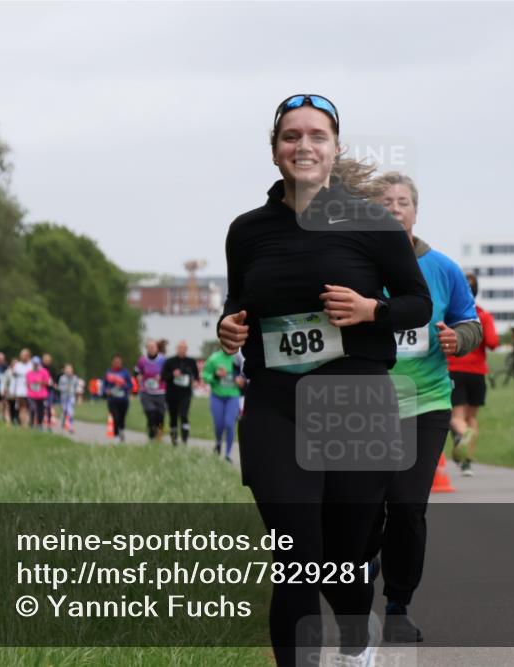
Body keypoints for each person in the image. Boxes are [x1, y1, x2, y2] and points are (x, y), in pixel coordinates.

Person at [217, 93, 431, 667]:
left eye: (317, 136)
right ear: (274, 151)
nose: (303, 146)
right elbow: (240, 299)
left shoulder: (375, 226)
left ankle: (357, 638)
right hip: (276, 404)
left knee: (346, 553)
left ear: (335, 149)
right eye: (292, 136)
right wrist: (228, 325)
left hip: (355, 401)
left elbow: (418, 303)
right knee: (296, 559)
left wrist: (372, 311)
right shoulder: (247, 231)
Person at [371, 172, 481, 642]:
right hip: (361, 406)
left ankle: (398, 604)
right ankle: (359, 587)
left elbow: (470, 322)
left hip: (426, 402)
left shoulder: (443, 269)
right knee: (361, 510)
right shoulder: (356, 264)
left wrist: (459, 338)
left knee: (407, 506)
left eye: (403, 202)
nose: (395, 208)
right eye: (385, 202)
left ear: (416, 211)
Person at [446, 272, 500, 475]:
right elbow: (493, 343)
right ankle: (467, 461)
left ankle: (462, 434)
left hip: (455, 369)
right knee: (472, 418)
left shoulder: (450, 314)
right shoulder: (483, 316)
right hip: (477, 373)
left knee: (456, 416)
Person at [202, 348, 244, 462]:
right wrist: (215, 375)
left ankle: (228, 454)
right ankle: (218, 442)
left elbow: (246, 377)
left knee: (230, 424)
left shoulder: (239, 359)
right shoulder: (214, 358)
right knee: (219, 424)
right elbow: (205, 376)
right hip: (217, 396)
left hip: (233, 396)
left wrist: (242, 381)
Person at [161, 340, 200, 445]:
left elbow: (196, 376)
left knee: (184, 414)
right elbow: (163, 377)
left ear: (187, 349)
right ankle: (174, 440)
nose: (182, 350)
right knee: (173, 417)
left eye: (184, 348)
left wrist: (195, 381)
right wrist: (173, 374)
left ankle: (185, 438)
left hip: (185, 394)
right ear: (177, 349)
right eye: (180, 348)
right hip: (172, 394)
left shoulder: (191, 362)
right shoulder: (169, 361)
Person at [135, 339, 168, 441]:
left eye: (153, 347)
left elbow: (168, 373)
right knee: (151, 414)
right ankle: (151, 436)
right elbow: (136, 371)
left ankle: (160, 434)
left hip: (160, 392)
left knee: (160, 416)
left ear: (157, 348)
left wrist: (161, 377)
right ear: (146, 349)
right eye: (149, 347)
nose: (151, 349)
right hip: (146, 392)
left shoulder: (163, 360)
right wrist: (138, 376)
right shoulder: (142, 360)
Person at [103, 354, 133, 443]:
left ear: (121, 363)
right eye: (115, 362)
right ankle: (116, 436)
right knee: (115, 417)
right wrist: (106, 391)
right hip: (112, 400)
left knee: (122, 417)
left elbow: (130, 385)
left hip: (123, 400)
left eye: (119, 362)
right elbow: (104, 385)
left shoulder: (125, 372)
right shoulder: (108, 372)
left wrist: (123, 385)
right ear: (112, 362)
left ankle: (121, 431)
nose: (117, 363)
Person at [26, 356, 52, 430]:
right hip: (31, 394)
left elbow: (47, 382)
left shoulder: (44, 371)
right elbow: (27, 383)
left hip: (42, 394)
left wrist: (41, 382)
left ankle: (39, 424)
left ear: (39, 364)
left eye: (37, 364)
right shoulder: (29, 373)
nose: (35, 365)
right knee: (32, 408)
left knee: (41, 410)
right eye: (34, 364)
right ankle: (31, 423)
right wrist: (31, 384)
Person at [57, 363, 81, 433]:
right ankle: (64, 421)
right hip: (64, 397)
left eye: (70, 369)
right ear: (64, 370)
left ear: (72, 370)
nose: (68, 371)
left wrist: (78, 395)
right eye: (67, 369)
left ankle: (70, 427)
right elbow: (59, 387)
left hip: (71, 396)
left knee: (70, 411)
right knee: (65, 411)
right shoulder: (62, 378)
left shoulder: (75, 378)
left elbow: (77, 387)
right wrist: (64, 388)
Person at [12, 348, 33, 426]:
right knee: (22, 408)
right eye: (22, 355)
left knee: (30, 409)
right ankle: (24, 424)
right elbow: (14, 380)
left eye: (24, 355)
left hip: (31, 391)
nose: (23, 357)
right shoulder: (17, 365)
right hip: (20, 391)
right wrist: (13, 391)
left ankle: (29, 423)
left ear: (28, 356)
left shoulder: (32, 365)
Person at [0, 359, 20, 425]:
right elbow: (3, 382)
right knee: (11, 406)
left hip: (19, 392)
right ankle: (11, 419)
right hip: (10, 393)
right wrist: (2, 390)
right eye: (14, 364)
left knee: (18, 407)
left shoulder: (21, 372)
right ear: (11, 365)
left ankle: (17, 419)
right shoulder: (8, 372)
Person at [41, 352, 57, 428]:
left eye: (48, 360)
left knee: (49, 405)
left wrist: (54, 383)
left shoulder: (52, 368)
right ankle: (42, 419)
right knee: (42, 405)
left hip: (50, 389)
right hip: (42, 389)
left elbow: (55, 378)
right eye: (45, 360)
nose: (47, 361)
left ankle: (50, 420)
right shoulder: (40, 368)